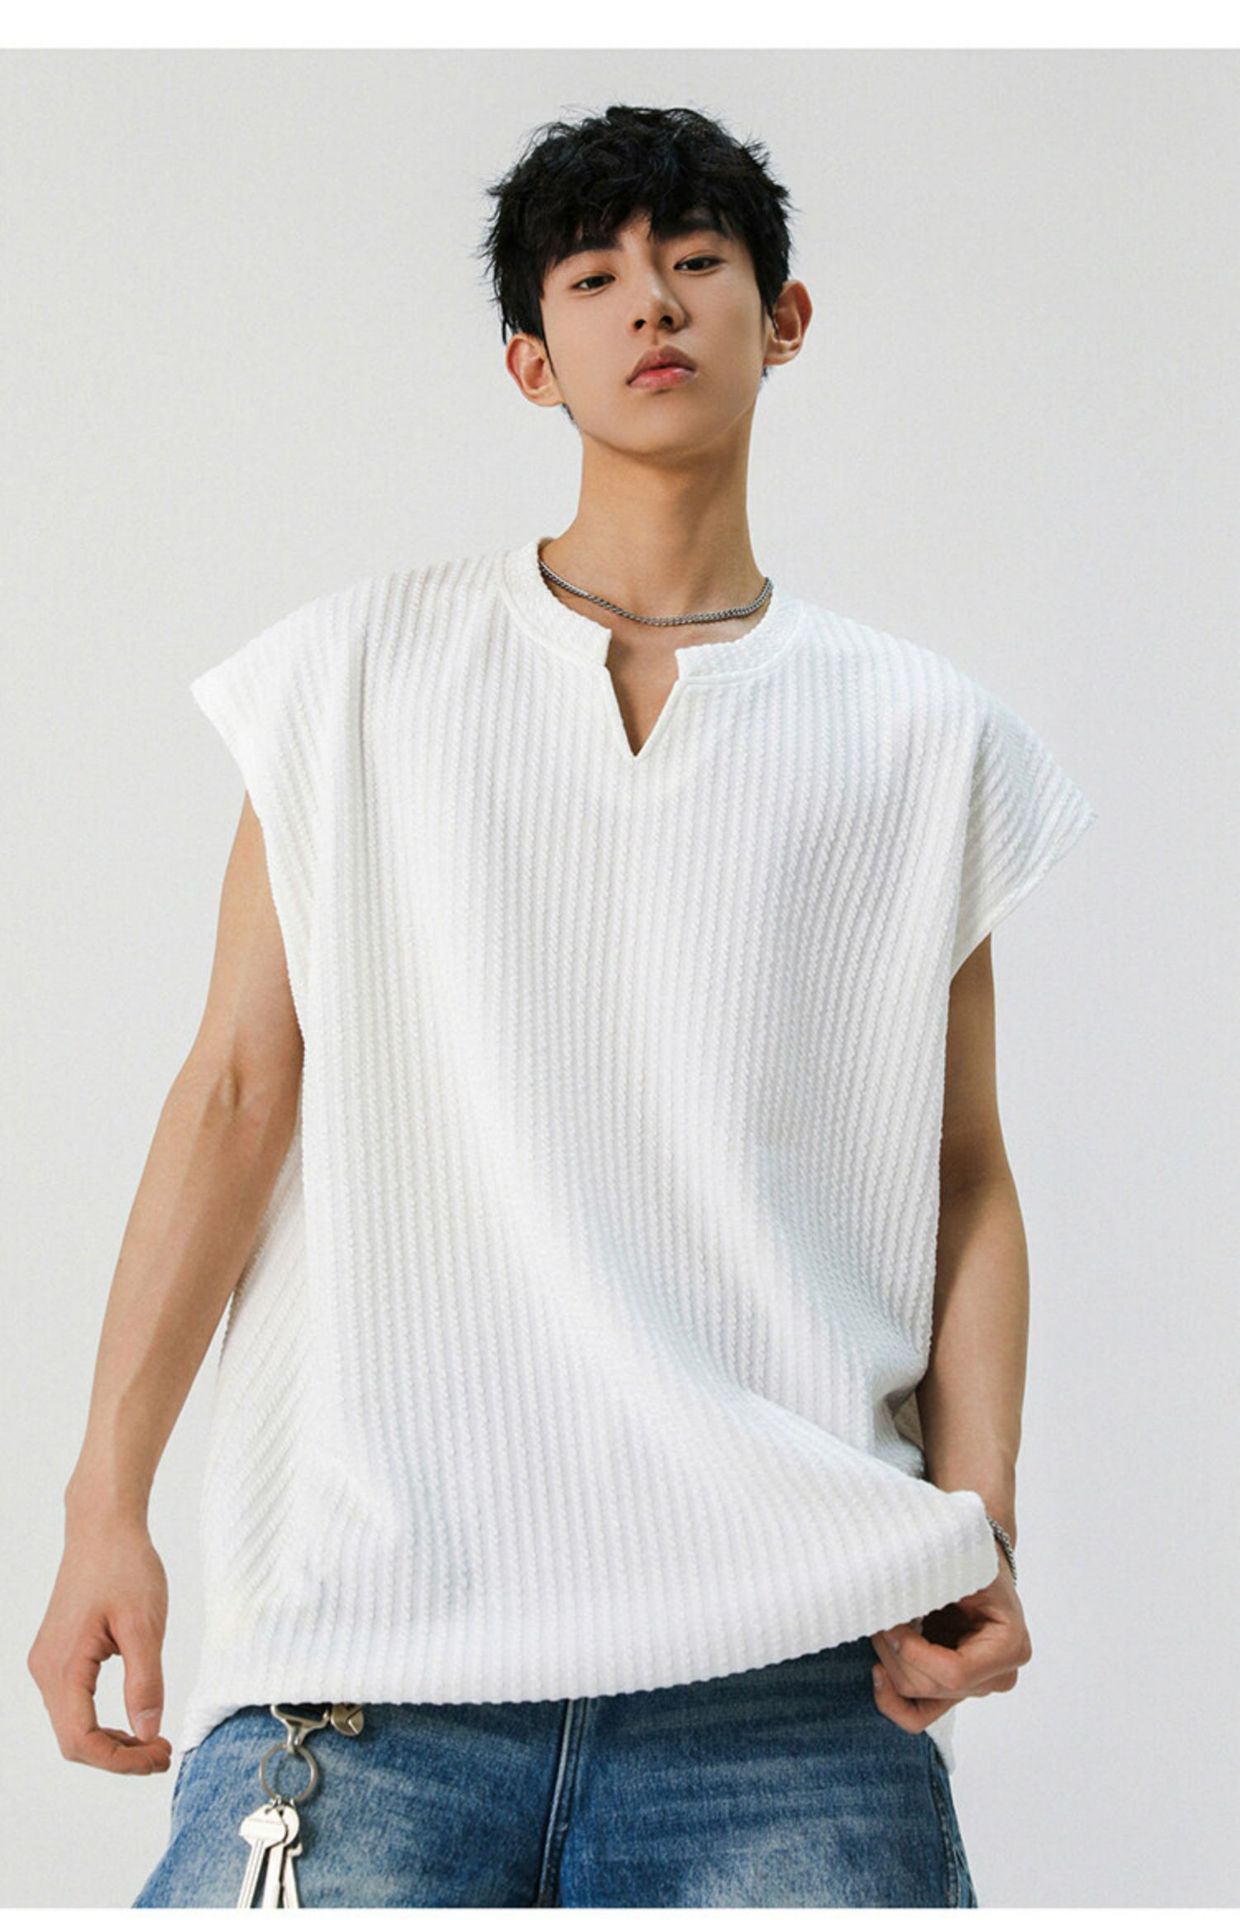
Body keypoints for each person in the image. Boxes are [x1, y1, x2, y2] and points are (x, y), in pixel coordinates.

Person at [29, 103, 1096, 1908]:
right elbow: (234, 1095)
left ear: (785, 317)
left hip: (793, 1678)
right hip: (370, 1664)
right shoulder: (354, 676)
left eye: (697, 262)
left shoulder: (923, 736)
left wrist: (979, 1514)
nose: (651, 304)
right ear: (533, 360)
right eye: (594, 278)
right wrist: (101, 1507)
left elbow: (963, 1170)